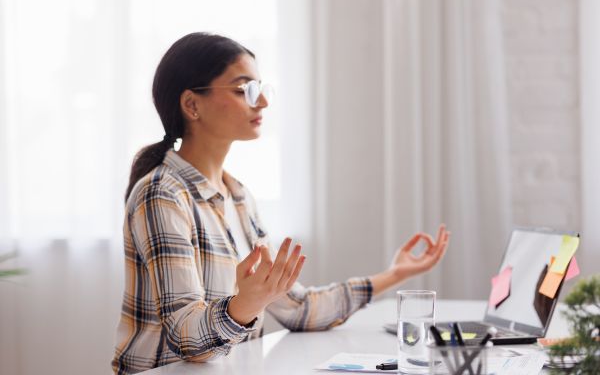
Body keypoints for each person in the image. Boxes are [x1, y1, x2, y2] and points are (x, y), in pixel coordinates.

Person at [111, 32, 450, 374]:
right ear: (192, 104)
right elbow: (187, 340)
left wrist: (393, 275)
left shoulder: (239, 196)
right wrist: (244, 304)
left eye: (261, 89)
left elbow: (298, 309)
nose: (262, 103)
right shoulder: (161, 194)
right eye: (244, 89)